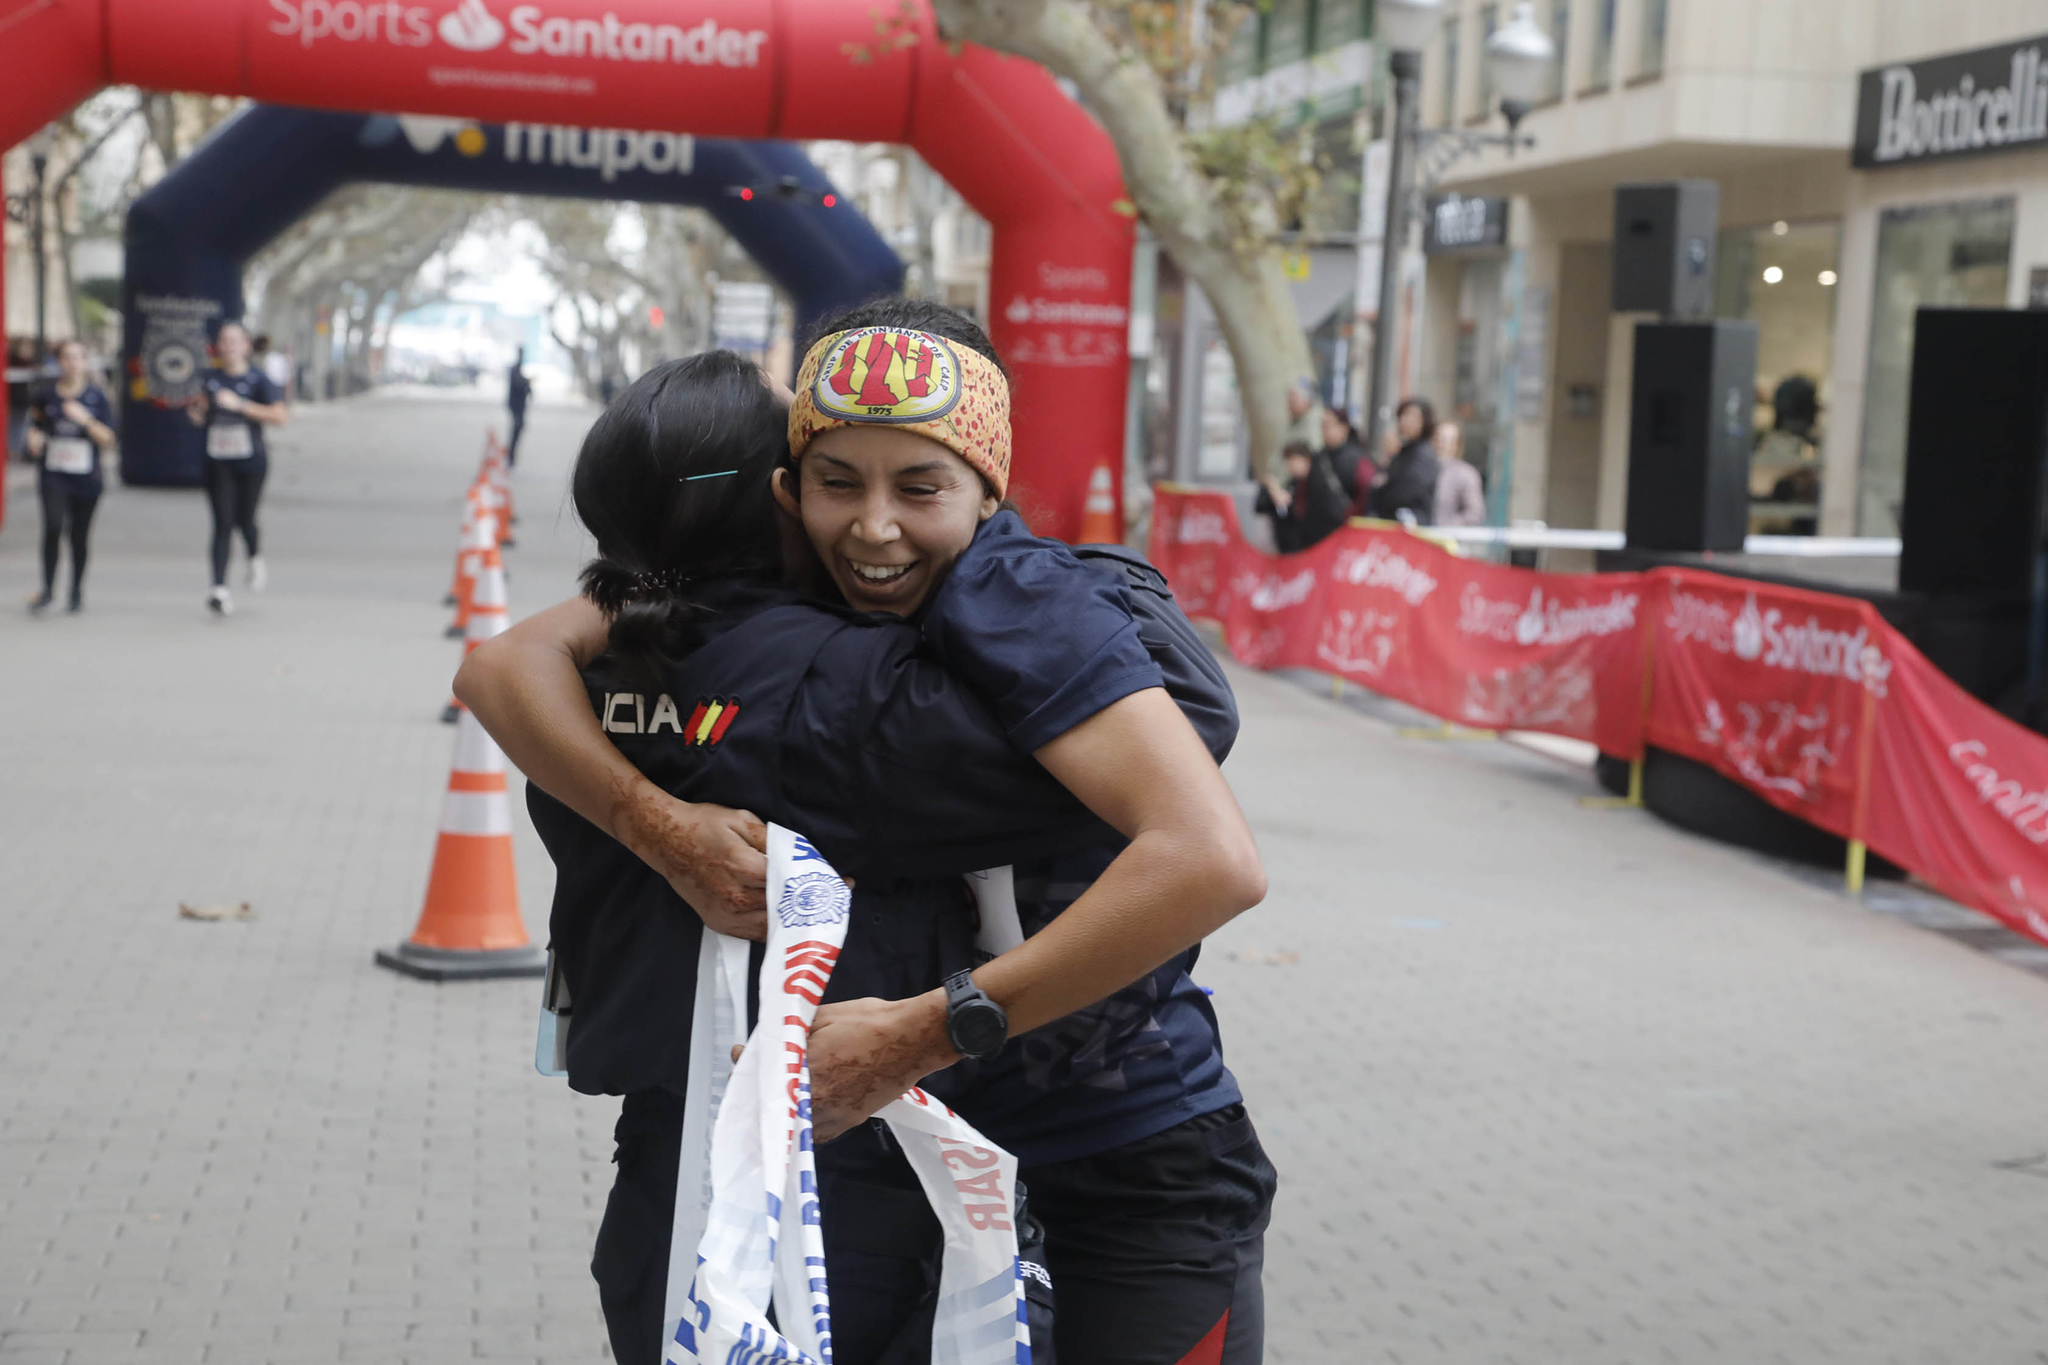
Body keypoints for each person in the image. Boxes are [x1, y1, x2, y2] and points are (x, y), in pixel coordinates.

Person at [459, 300, 1276, 1365]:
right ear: (782, 501)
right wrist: (667, 830)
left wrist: (925, 1031)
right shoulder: (816, 645)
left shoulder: (1017, 606)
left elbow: (1207, 847)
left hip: (1120, 1150)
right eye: (837, 482)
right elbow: (500, 665)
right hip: (900, 1165)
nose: (874, 526)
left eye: (920, 484)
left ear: (990, 487)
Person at [188, 320, 289, 615]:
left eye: (235, 341)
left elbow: (280, 416)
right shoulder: (210, 378)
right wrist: (198, 413)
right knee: (222, 522)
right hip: (218, 460)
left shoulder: (259, 380)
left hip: (251, 460)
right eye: (224, 340)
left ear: (246, 346)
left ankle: (254, 556)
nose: (229, 346)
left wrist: (241, 405)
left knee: (245, 519)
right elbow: (201, 412)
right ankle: (218, 589)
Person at [24, 339, 117, 614]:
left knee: (79, 535)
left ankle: (76, 590)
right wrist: (35, 438)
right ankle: (48, 590)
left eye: (78, 358)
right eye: (67, 357)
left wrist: (85, 419)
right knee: (53, 527)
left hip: (86, 476)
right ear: (59, 361)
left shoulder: (97, 397)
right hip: (53, 472)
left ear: (85, 363)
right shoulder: (46, 394)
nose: (72, 363)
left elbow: (109, 439)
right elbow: (36, 424)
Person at [1255, 438, 1350, 553]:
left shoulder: (1319, 483)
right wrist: (1272, 492)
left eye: (1293, 461)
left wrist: (1290, 503)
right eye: (1287, 462)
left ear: (1306, 460)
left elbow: (1322, 517)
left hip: (1319, 548)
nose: (1290, 466)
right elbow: (1262, 507)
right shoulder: (1294, 484)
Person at [1365, 396, 1443, 525]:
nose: (1406, 421)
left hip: (1410, 525)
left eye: (1414, 417)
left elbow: (1406, 492)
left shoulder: (1423, 454)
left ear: (1425, 421)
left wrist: (1382, 491)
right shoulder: (1404, 451)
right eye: (1404, 415)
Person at [1432, 419, 1486, 527]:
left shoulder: (1466, 474)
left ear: (1457, 445)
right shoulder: (1420, 469)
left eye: (1449, 440)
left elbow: (1474, 514)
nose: (1442, 444)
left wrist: (1446, 526)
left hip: (1448, 538)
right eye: (1439, 438)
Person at [1319, 404, 1374, 505]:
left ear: (1344, 427)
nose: (1324, 430)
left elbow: (1366, 493)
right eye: (1323, 425)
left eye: (1328, 425)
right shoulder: (1319, 457)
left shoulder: (1358, 459)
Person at [505, 346, 531, 465]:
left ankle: (511, 456)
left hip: (518, 406)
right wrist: (527, 382)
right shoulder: (515, 369)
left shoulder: (517, 368)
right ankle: (510, 456)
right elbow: (518, 384)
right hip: (516, 406)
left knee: (518, 429)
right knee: (516, 429)